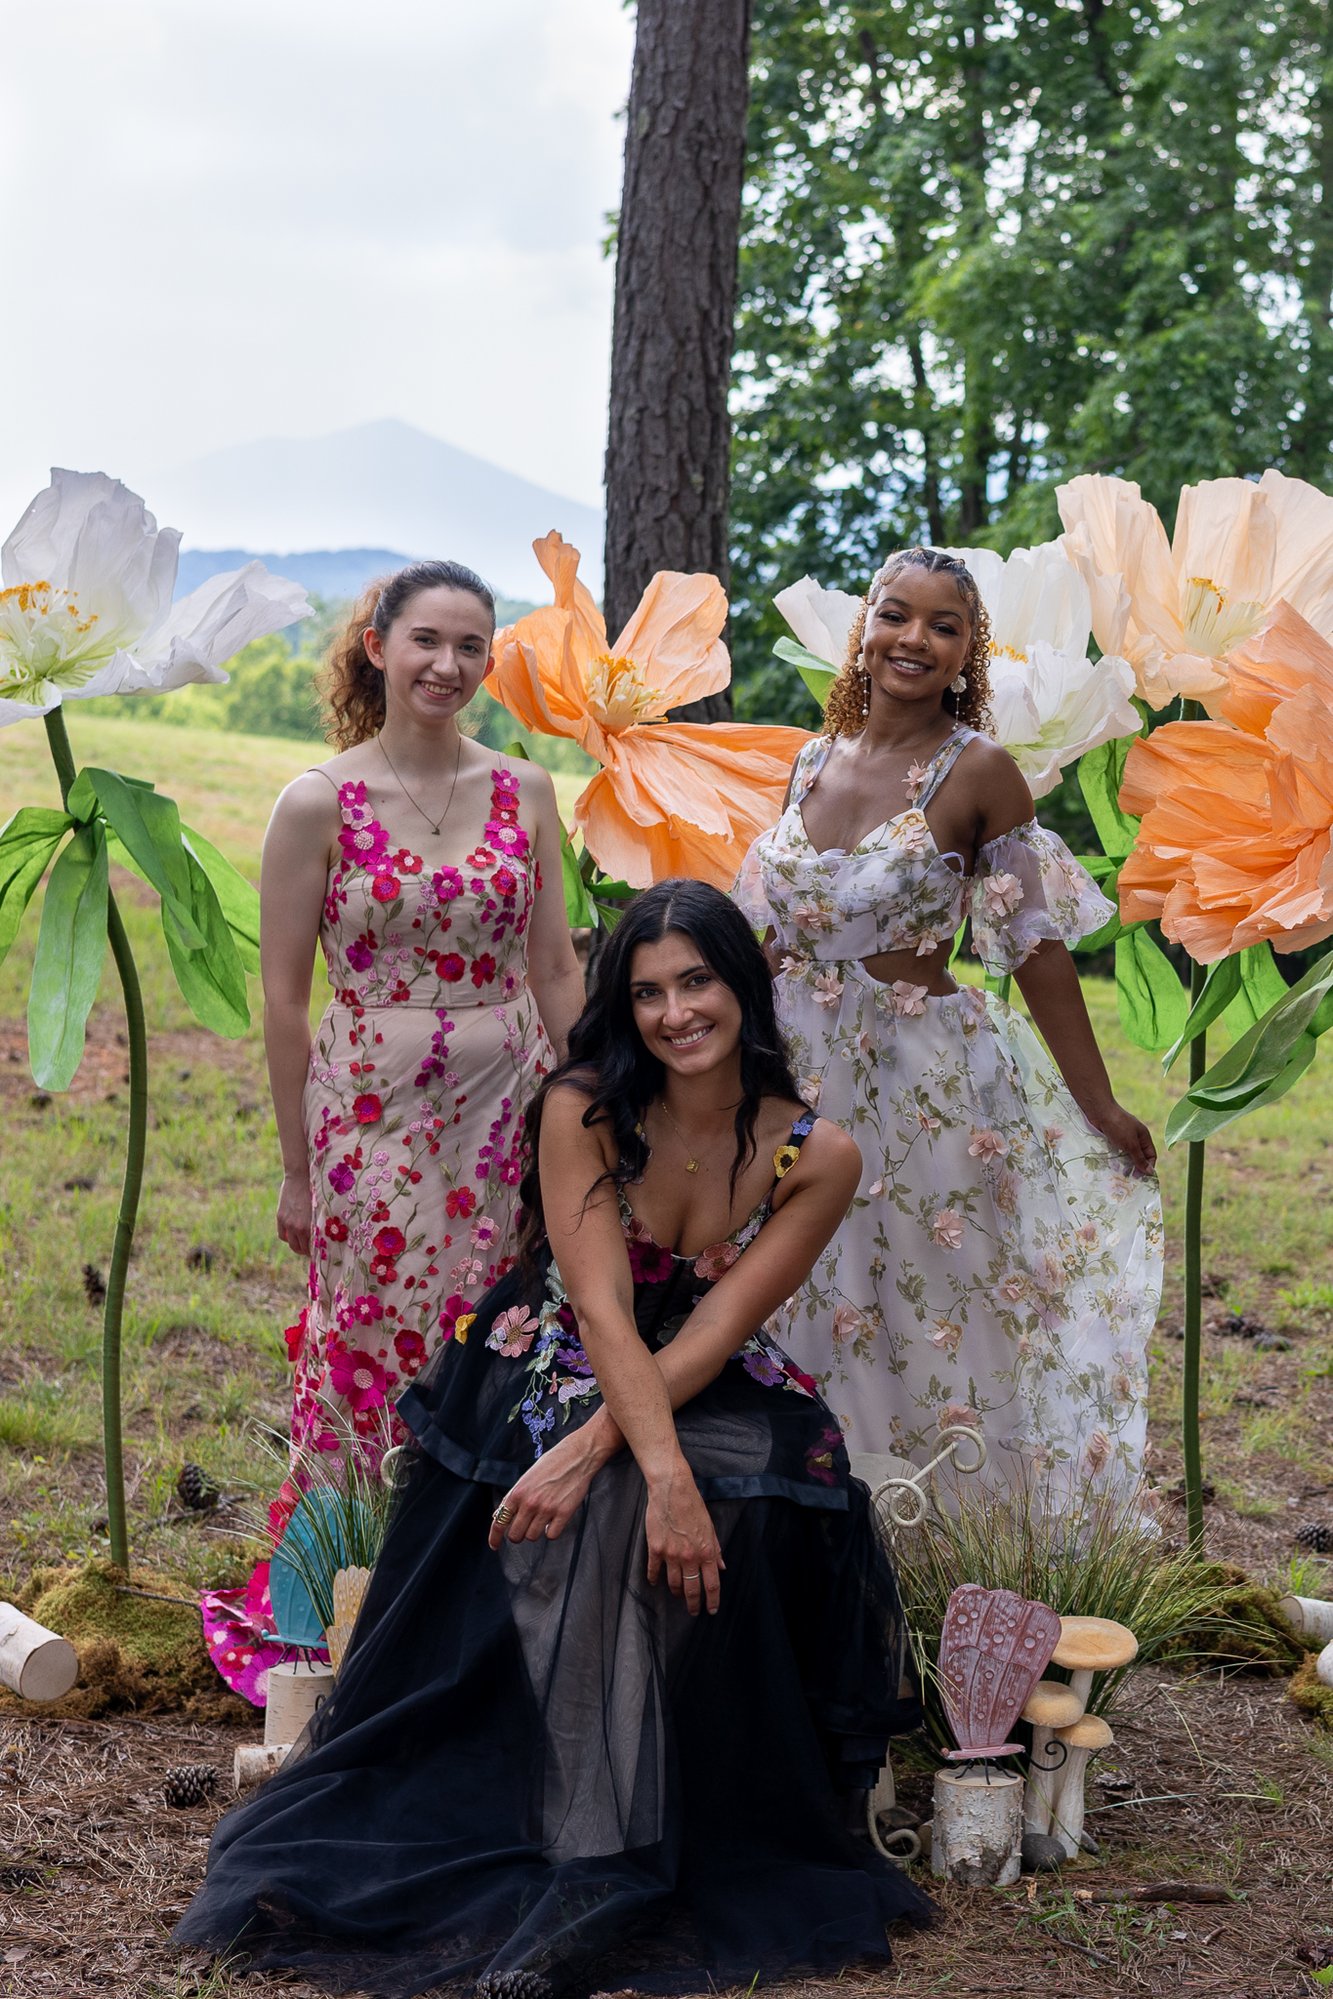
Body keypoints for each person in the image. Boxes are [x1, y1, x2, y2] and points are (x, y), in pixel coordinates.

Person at [176, 880, 929, 1997]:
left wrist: (609, 1452)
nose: (676, 1012)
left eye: (697, 982)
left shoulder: (814, 1151)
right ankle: (594, 1856)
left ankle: (675, 1809)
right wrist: (633, 1461)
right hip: (557, 1343)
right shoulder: (581, 1105)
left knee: (780, 1478)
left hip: (697, 1367)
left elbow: (722, 1324)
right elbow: (598, 1308)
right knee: (624, 1501)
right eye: (648, 992)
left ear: (743, 987)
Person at [202, 561, 584, 1703]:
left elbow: (558, 967)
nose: (447, 666)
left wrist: (597, 1111)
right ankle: (354, 1596)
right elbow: (280, 1001)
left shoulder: (526, 789)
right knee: (372, 1337)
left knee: (503, 1332)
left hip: (510, 1100)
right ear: (377, 644)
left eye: (472, 647)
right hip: (371, 1108)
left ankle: (485, 1595)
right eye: (426, 639)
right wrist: (295, 1173)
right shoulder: (319, 800)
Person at [736, 546, 1163, 1501]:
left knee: (913, 1297)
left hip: (914, 1082)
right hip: (786, 1066)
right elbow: (768, 936)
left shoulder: (979, 773)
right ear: (864, 631)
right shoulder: (809, 761)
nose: (913, 639)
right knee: (794, 1290)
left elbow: (1038, 951)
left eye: (943, 626)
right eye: (895, 615)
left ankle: (932, 1536)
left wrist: (1095, 1103)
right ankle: (793, 1511)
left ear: (970, 651)